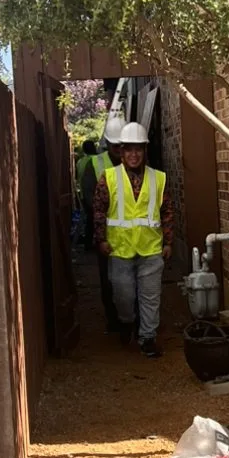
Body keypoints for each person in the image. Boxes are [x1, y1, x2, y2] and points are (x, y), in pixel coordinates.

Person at [93, 122, 173, 358]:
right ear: (121, 151)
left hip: (150, 248)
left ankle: (147, 337)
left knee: (150, 296)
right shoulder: (108, 178)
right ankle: (127, 321)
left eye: (138, 149)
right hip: (120, 249)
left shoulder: (158, 178)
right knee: (123, 295)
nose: (134, 154)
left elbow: (167, 211)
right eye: (129, 149)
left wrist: (168, 242)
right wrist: (101, 239)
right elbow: (99, 210)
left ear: (144, 151)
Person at [82, 117, 124, 330]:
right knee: (108, 279)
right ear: (107, 143)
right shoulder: (95, 164)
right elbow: (90, 199)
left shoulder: (135, 161)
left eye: (122, 143)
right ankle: (113, 319)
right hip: (107, 233)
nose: (119, 148)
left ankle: (132, 319)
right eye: (115, 144)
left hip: (133, 234)